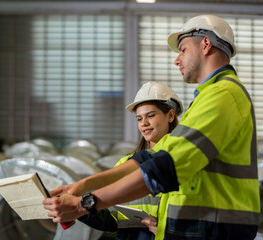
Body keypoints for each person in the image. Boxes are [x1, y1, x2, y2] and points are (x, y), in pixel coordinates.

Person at [43, 14, 260, 240]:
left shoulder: (222, 95)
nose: (177, 60)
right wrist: (81, 186)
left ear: (205, 44)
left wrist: (83, 204)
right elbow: (150, 158)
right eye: (139, 118)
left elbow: (165, 167)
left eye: (183, 49)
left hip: (214, 231)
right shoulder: (208, 98)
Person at [60, 81, 182, 240]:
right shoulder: (125, 164)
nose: (144, 123)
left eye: (151, 115)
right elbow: (111, 221)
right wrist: (81, 209)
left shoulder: (182, 161)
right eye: (139, 118)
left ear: (171, 115)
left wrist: (169, 229)